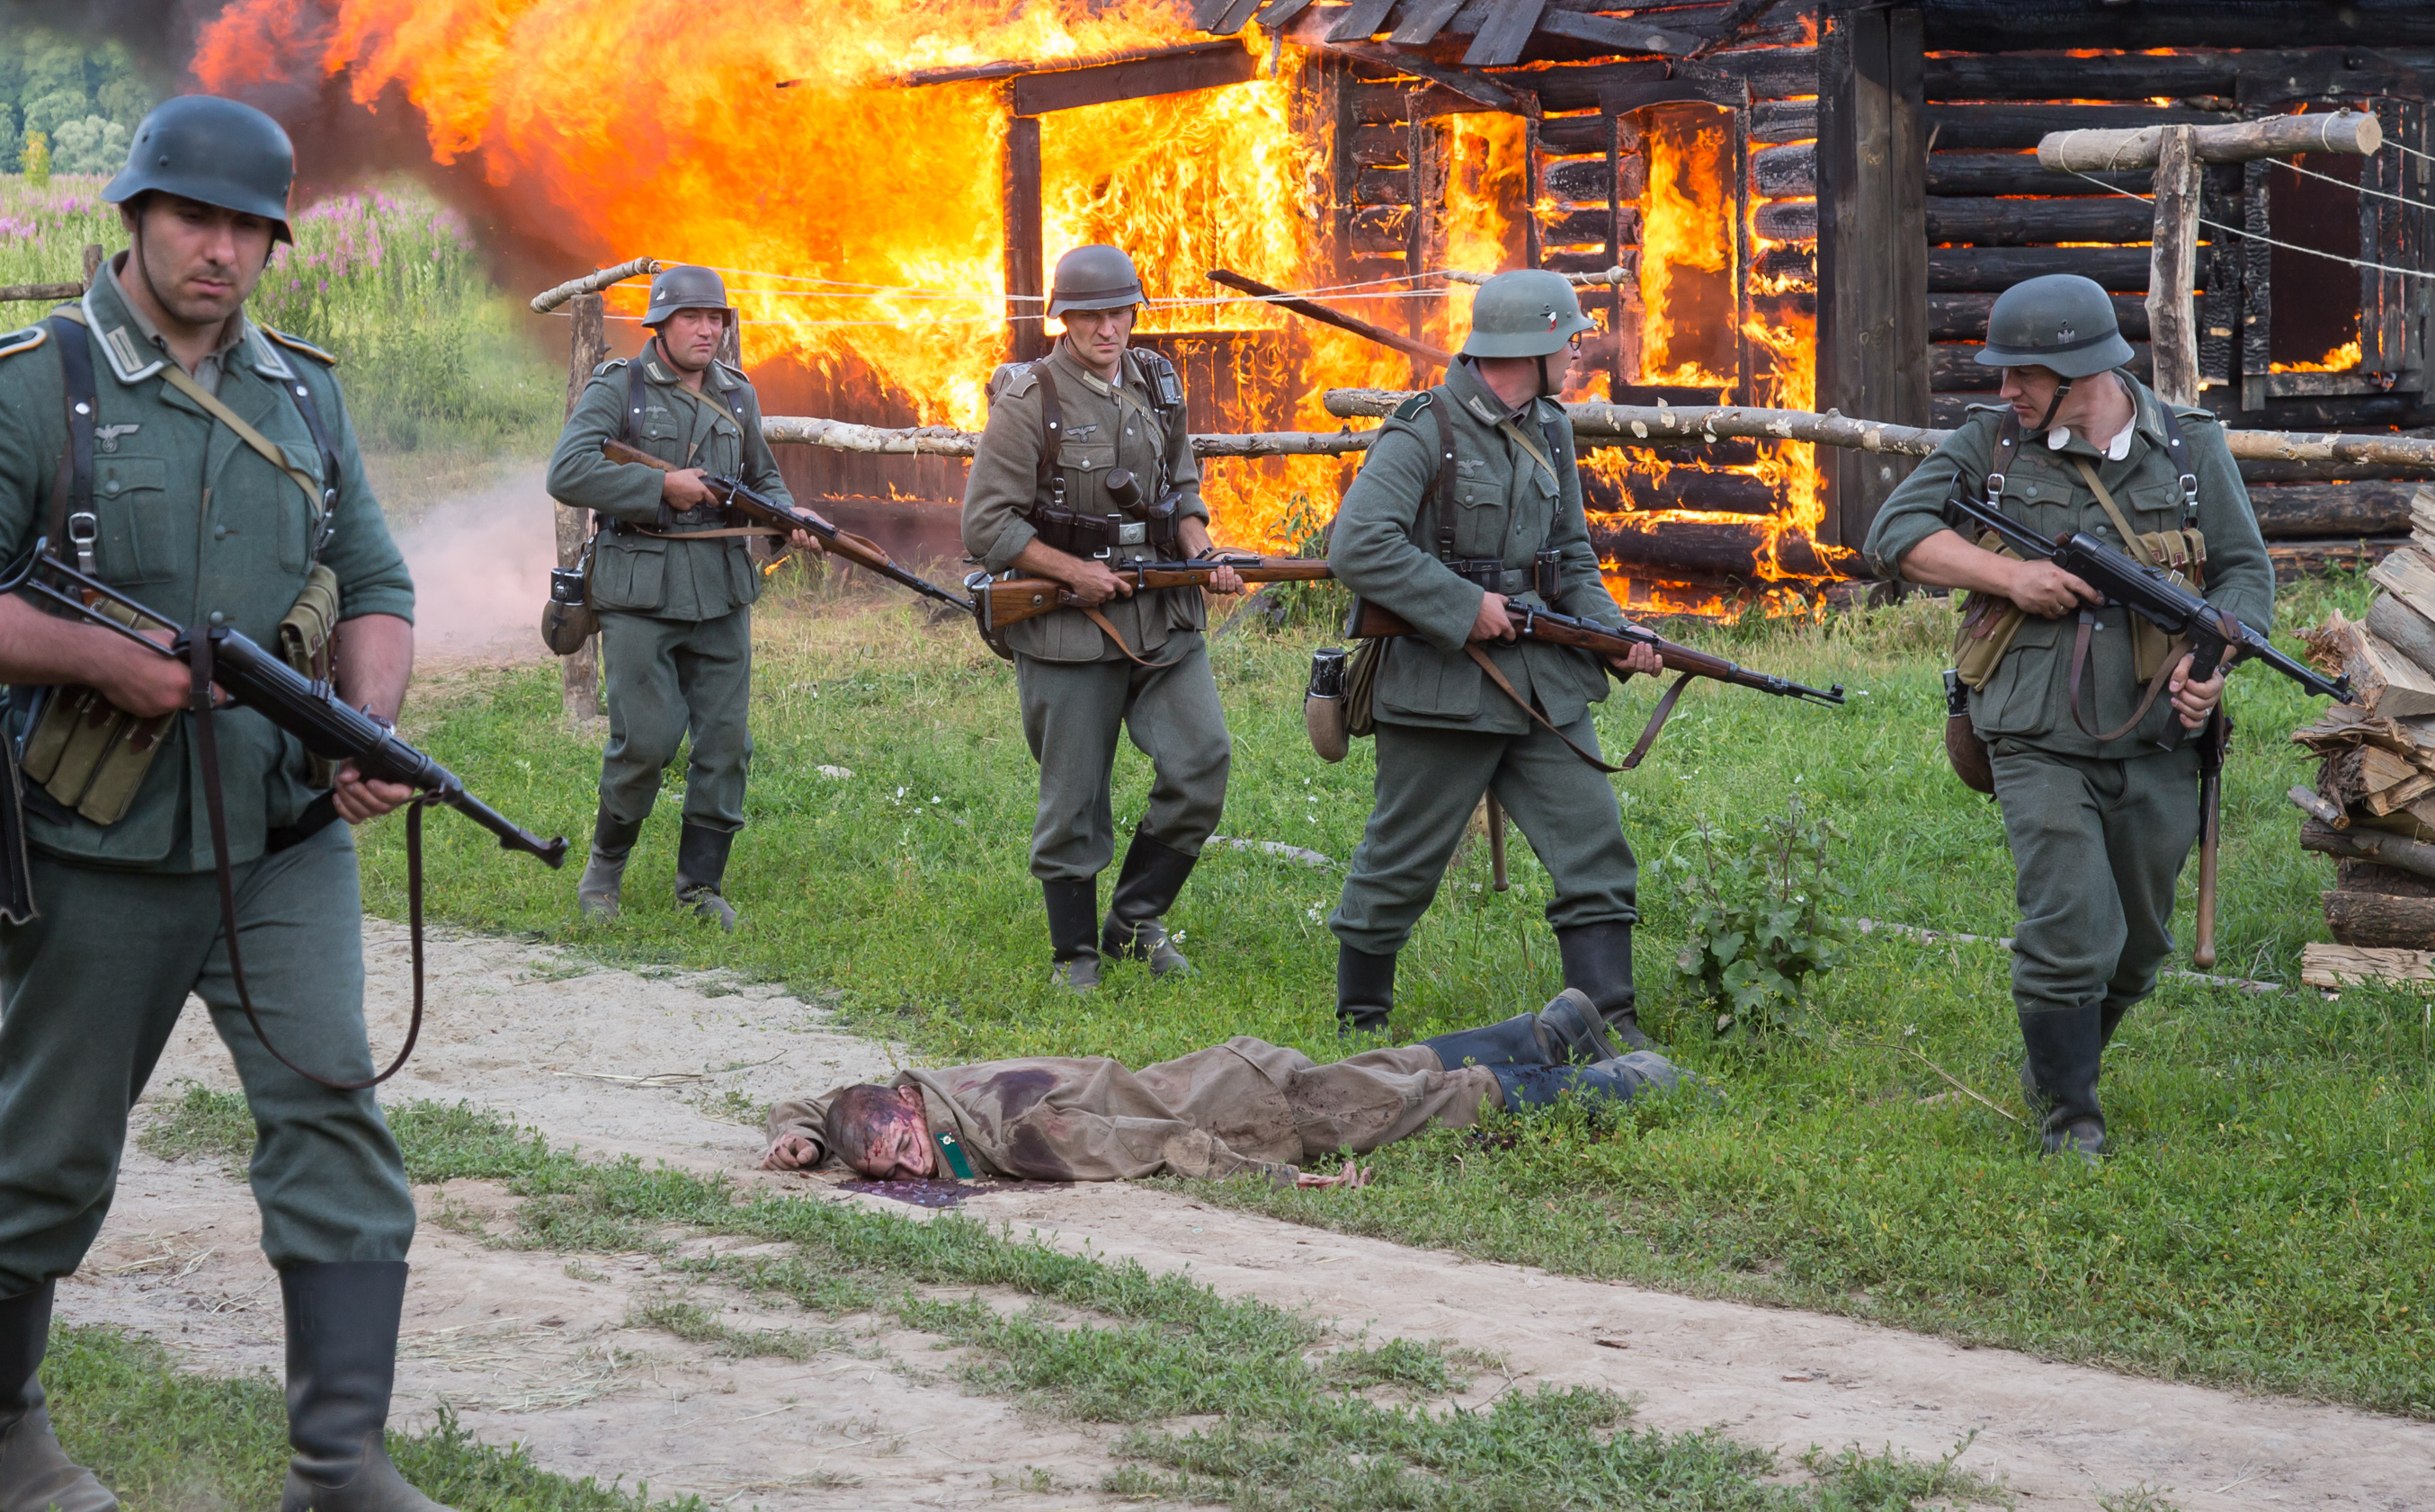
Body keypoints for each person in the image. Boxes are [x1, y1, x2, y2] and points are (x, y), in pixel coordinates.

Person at [0, 94, 459, 1512]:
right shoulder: (27, 388)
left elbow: (372, 581)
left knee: (332, 1114)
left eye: (252, 227)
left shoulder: (302, 396)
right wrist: (106, 663)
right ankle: (2, 1436)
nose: (223, 251)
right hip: (95, 842)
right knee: (56, 1144)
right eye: (196, 217)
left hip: (279, 836)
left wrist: (363, 727)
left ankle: (340, 1463)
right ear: (135, 218)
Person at [1861, 272, 2272, 1161]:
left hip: (2158, 729)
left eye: (2022, 374)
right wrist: (2013, 576)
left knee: (2139, 943)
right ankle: (2069, 1114)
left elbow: (2246, 579)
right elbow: (1893, 531)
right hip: (2033, 724)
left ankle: (2064, 1061)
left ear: (2080, 373)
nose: (2004, 389)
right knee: (2068, 917)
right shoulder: (1993, 445)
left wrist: (2212, 665)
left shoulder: (2191, 449)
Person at [1324, 271, 1663, 1039]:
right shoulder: (1426, 429)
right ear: (1534, 344)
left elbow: (1572, 556)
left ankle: (1609, 1019)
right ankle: (1362, 1018)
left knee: (1596, 844)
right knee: (1400, 861)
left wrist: (1616, 636)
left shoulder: (1550, 427)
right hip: (1441, 682)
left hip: (1543, 682)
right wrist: (1460, 607)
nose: (1578, 354)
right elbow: (1355, 543)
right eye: (1569, 340)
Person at [961, 245, 1244, 990]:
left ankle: (1135, 921)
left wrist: (1202, 550)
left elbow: (1181, 486)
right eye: (1091, 314)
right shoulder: (1032, 400)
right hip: (1068, 625)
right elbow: (987, 526)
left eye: (1120, 312)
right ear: (1065, 318)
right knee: (1074, 797)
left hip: (1161, 614)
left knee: (1201, 762)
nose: (1108, 328)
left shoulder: (1156, 380)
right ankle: (1076, 954)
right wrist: (1072, 571)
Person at [761, 987, 1681, 1185]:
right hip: (1221, 1068)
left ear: (914, 1116)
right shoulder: (914, 1090)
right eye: (887, 1166)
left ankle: (1632, 1082)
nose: (906, 1171)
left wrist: (1283, 1181)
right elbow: (836, 1105)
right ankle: (1551, 1026)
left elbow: (1160, 1147)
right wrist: (805, 1135)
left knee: (1429, 1104)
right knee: (1398, 1068)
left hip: (1242, 1108)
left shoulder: (1015, 1135)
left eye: (904, 1152)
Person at [543, 264, 810, 930]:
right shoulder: (621, 389)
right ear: (660, 324)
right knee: (646, 739)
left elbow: (764, 477)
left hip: (720, 592)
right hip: (641, 591)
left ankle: (700, 886)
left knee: (725, 742)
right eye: (692, 317)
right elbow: (567, 469)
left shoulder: (738, 394)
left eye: (716, 318)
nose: (707, 329)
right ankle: (603, 871)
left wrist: (786, 519)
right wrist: (660, 489)